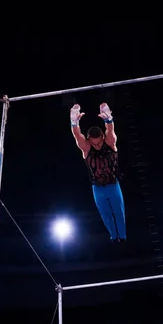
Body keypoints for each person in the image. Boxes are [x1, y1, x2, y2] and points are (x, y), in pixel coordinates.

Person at [70, 102, 127, 242]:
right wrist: (74, 122)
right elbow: (78, 136)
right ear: (89, 140)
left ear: (102, 137)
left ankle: (123, 236)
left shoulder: (110, 143)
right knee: (105, 214)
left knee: (119, 212)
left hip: (113, 185)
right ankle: (113, 236)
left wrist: (109, 120)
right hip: (97, 188)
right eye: (93, 143)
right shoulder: (87, 148)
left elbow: (110, 131)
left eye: (99, 143)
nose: (96, 146)